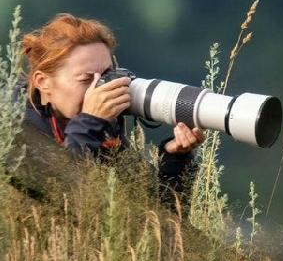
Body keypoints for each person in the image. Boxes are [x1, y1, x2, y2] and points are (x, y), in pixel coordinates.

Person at [20, 12, 203, 201]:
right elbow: (62, 197)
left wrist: (175, 159)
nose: (101, 88)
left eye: (107, 75)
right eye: (86, 79)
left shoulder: (104, 128)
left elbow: (156, 215)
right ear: (43, 82)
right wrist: (89, 122)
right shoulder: (12, 127)